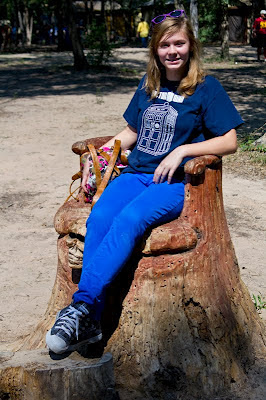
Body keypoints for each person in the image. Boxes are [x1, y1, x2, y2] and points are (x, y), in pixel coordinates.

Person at [46, 9, 243, 354]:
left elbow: (229, 141)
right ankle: (90, 321)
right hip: (135, 175)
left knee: (130, 220)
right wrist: (103, 153)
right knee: (100, 218)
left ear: (190, 46)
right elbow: (133, 132)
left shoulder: (206, 87)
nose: (172, 51)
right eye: (165, 44)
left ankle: (81, 308)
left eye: (179, 43)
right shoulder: (149, 84)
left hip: (174, 185)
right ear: (155, 50)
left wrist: (182, 151)